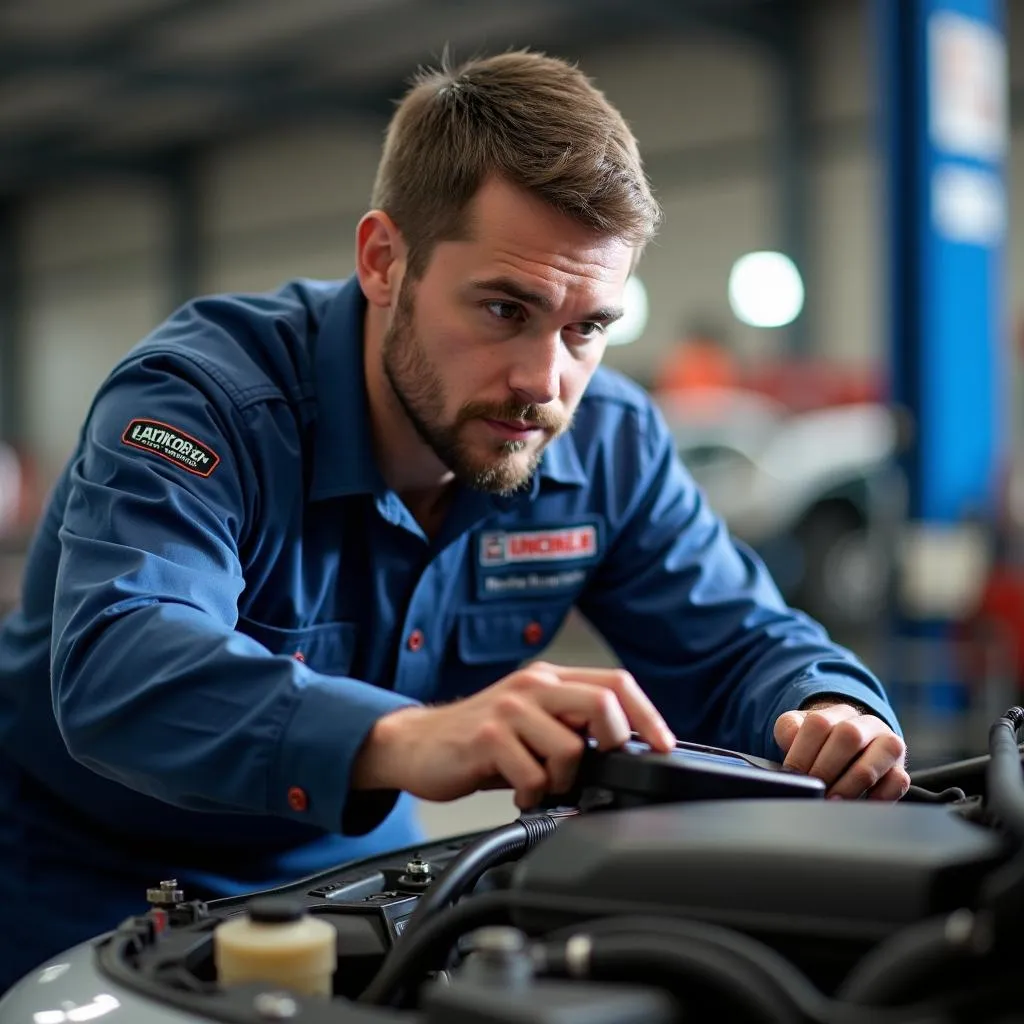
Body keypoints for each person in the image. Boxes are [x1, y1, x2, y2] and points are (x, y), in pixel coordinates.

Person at [0, 50, 908, 990]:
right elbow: (122, 659)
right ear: (384, 261)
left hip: (345, 855)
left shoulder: (606, 445)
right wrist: (412, 740)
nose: (544, 383)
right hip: (76, 865)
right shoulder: (206, 403)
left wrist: (832, 710)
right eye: (505, 308)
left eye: (587, 327)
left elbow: (739, 644)